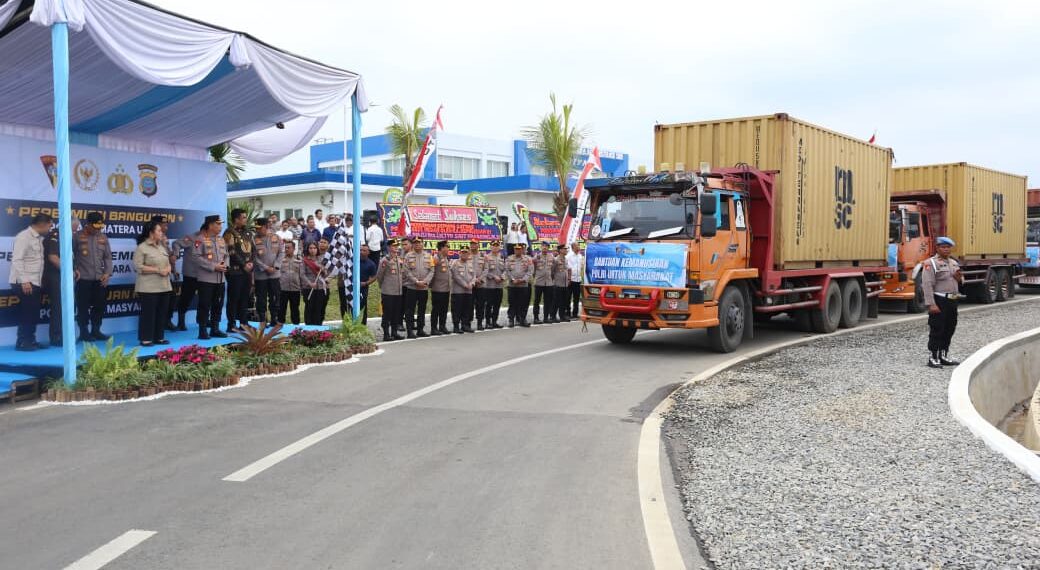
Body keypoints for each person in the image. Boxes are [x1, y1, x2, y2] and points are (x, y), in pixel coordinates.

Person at [11, 214, 52, 351]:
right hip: (25, 281)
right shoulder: (24, 237)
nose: (50, 228)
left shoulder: (38, 238)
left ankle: (28, 340)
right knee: (29, 312)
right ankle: (24, 342)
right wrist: (24, 281)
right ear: (42, 224)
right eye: (49, 225)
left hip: (34, 281)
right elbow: (17, 260)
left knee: (32, 312)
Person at [921, 236, 964, 368]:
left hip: (952, 300)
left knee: (949, 328)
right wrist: (931, 304)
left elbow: (961, 281)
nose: (946, 249)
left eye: (948, 247)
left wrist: (960, 279)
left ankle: (943, 355)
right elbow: (927, 284)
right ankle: (933, 357)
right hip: (939, 300)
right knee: (937, 329)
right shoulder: (931, 263)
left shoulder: (953, 263)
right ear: (937, 248)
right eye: (943, 247)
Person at [74, 211, 113, 341]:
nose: (97, 230)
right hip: (83, 278)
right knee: (83, 306)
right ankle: (84, 332)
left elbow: (107, 257)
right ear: (88, 224)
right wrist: (74, 269)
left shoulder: (103, 237)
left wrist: (107, 273)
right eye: (95, 227)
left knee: (99, 306)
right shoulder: (77, 237)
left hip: (100, 279)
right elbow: (69, 256)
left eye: (100, 227)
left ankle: (96, 330)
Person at [133, 220, 173, 346]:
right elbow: (138, 266)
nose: (161, 233)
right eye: (159, 230)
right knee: (148, 314)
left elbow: (167, 263)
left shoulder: (161, 246)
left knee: (162, 313)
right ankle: (146, 339)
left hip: (164, 286)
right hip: (148, 287)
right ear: (151, 233)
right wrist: (157, 270)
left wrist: (168, 269)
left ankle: (159, 337)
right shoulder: (142, 247)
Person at [192, 215, 229, 340]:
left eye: (220, 224)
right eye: (218, 224)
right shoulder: (200, 239)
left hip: (220, 279)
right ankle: (202, 330)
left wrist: (225, 265)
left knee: (218, 304)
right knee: (204, 305)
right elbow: (196, 258)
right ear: (210, 225)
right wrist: (214, 266)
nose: (220, 227)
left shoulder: (221, 240)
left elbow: (227, 255)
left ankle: (215, 328)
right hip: (206, 279)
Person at [223, 208, 254, 332]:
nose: (246, 220)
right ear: (236, 219)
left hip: (247, 271)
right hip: (235, 271)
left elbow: (253, 250)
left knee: (245, 298)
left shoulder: (247, 233)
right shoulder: (229, 232)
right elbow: (231, 251)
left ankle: (244, 323)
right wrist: (243, 265)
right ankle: (231, 324)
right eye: (243, 217)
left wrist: (251, 262)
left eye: (246, 217)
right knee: (233, 299)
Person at [252, 218, 284, 325]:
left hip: (274, 274)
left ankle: (274, 318)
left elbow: (281, 252)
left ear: (266, 227)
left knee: (275, 297)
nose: (257, 230)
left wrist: (276, 266)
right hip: (261, 275)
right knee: (261, 298)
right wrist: (265, 267)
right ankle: (262, 319)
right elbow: (253, 257)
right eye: (256, 228)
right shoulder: (253, 239)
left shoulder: (277, 237)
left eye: (259, 228)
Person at [172, 225, 203, 331]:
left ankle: (202, 321)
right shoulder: (192, 237)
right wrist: (176, 255)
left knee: (205, 299)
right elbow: (176, 243)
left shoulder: (214, 239)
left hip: (206, 274)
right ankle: (181, 322)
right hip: (191, 274)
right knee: (186, 298)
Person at [403, 236, 433, 338]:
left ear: (422, 244)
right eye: (415, 243)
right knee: (410, 310)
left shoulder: (429, 256)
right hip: (412, 287)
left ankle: (420, 329)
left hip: (423, 288)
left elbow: (432, 271)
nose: (417, 244)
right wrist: (416, 281)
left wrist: (425, 282)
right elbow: (406, 271)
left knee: (422, 309)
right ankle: (410, 331)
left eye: (419, 242)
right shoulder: (408, 256)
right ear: (413, 244)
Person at [376, 239, 405, 341]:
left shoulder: (399, 260)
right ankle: (386, 334)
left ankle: (394, 332)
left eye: (397, 246)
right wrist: (383, 285)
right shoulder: (385, 260)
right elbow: (379, 275)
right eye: (393, 246)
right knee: (387, 313)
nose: (396, 248)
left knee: (396, 313)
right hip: (388, 291)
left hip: (398, 291)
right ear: (388, 247)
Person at [43, 219, 65, 346]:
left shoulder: (68, 236)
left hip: (64, 276)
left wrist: (75, 269)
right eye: (73, 228)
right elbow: (53, 258)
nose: (75, 231)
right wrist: (68, 272)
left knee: (65, 308)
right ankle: (56, 337)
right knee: (58, 307)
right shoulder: (54, 236)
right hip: (55, 276)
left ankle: (64, 335)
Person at [450, 247, 477, 334]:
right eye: (462, 252)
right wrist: (465, 284)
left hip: (468, 291)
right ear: (459, 253)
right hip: (458, 291)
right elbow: (455, 276)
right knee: (457, 309)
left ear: (468, 254)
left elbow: (474, 275)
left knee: (467, 308)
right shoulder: (455, 263)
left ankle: (465, 325)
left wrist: (472, 283)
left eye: (466, 253)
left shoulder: (470, 264)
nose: (464, 254)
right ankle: (456, 326)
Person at [506, 243, 533, 327]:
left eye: (519, 249)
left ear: (522, 250)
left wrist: (523, 279)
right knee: (512, 303)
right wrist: (513, 279)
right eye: (516, 249)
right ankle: (511, 320)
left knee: (523, 303)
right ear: (514, 250)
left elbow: (530, 271)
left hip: (523, 285)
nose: (517, 250)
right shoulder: (509, 258)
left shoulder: (528, 259)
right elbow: (507, 270)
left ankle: (523, 319)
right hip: (512, 285)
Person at [301, 242, 328, 325]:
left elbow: (326, 273)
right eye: (310, 248)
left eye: (314, 248)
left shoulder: (322, 260)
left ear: (317, 249)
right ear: (307, 249)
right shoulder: (304, 260)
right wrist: (310, 283)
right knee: (309, 307)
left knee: (319, 307)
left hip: (320, 287)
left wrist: (323, 269)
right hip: (309, 288)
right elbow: (302, 274)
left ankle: (318, 326)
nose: (312, 250)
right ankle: (309, 326)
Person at [481, 240, 506, 329]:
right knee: (488, 305)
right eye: (493, 245)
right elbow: (485, 271)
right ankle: (488, 322)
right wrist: (493, 276)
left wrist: (502, 277)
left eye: (497, 245)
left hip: (499, 285)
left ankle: (494, 321)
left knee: (497, 304)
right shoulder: (486, 257)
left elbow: (505, 270)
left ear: (499, 247)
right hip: (490, 285)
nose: (495, 247)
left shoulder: (502, 257)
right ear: (490, 247)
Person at [429, 240, 452, 335]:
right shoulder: (436, 258)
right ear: (442, 248)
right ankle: (434, 328)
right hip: (437, 289)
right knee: (436, 309)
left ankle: (442, 326)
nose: (448, 248)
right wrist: (430, 285)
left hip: (446, 288)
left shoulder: (446, 258)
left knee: (444, 309)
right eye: (447, 246)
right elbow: (431, 272)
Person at [278, 241, 302, 325]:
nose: (286, 249)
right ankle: (280, 326)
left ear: (294, 249)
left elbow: (301, 275)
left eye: (289, 247)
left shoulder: (299, 260)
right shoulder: (280, 260)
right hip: (283, 289)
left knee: (295, 309)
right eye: (285, 247)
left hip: (295, 289)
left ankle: (296, 327)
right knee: (281, 309)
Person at [467, 239, 489, 330]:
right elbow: (465, 269)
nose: (473, 245)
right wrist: (473, 280)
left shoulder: (483, 256)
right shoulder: (466, 255)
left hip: (481, 284)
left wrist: (479, 279)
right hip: (470, 285)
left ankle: (480, 323)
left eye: (474, 244)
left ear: (478, 245)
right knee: (469, 305)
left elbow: (486, 269)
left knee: (480, 304)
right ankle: (468, 323)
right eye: (471, 244)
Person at [532, 242, 555, 324]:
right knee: (537, 301)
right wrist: (536, 277)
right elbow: (533, 269)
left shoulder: (551, 257)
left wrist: (551, 278)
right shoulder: (536, 257)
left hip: (548, 282)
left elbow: (553, 269)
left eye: (546, 246)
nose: (545, 248)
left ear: (548, 248)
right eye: (543, 246)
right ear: (541, 247)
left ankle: (546, 317)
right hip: (539, 282)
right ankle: (536, 318)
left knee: (547, 301)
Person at [357, 244, 378, 325]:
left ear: (368, 252)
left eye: (364, 250)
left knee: (362, 308)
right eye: (360, 250)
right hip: (351, 288)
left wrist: (366, 283)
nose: (362, 252)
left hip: (363, 289)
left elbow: (374, 277)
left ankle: (362, 326)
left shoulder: (371, 264)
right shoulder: (353, 261)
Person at [552, 243, 571, 322]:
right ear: (560, 250)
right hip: (557, 284)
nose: (566, 250)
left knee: (563, 301)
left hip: (565, 284)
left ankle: (562, 316)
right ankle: (553, 316)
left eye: (566, 249)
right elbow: (552, 271)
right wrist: (554, 281)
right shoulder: (556, 260)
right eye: (564, 249)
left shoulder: (566, 259)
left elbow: (568, 269)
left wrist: (569, 279)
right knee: (556, 301)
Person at [566, 242, 584, 318]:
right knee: (568, 297)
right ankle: (567, 313)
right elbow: (567, 268)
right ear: (573, 247)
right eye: (577, 246)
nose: (578, 247)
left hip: (578, 279)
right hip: (571, 279)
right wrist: (568, 278)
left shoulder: (580, 256)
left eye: (579, 245)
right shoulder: (568, 256)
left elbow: (581, 266)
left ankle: (575, 313)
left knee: (576, 298)